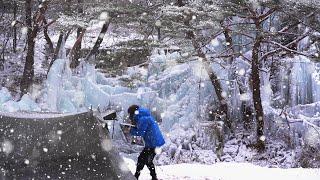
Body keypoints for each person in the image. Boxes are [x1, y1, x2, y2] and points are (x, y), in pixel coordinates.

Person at [127, 105, 165, 180]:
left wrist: (130, 130)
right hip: (152, 143)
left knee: (146, 160)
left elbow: (140, 133)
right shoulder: (143, 117)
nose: (129, 116)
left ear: (132, 113)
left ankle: (139, 177)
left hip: (153, 143)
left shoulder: (143, 119)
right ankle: (141, 176)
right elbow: (142, 129)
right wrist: (133, 126)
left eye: (130, 114)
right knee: (144, 159)